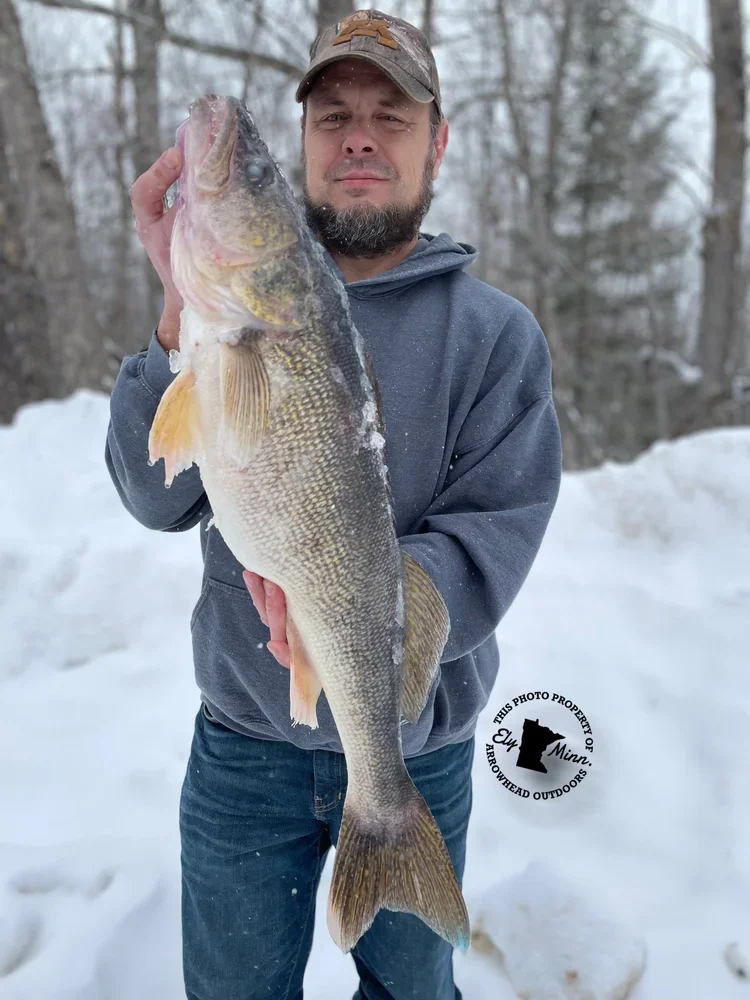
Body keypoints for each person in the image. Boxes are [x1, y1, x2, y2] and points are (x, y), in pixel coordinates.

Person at [106, 9, 563, 999]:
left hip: (415, 746)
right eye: (333, 116)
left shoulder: (497, 337)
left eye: (390, 117)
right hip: (242, 746)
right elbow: (154, 495)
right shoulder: (226, 315)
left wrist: (356, 608)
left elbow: (497, 530)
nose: (359, 135)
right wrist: (179, 322)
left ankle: (385, 834)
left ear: (436, 143)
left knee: (408, 989)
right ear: (309, 141)